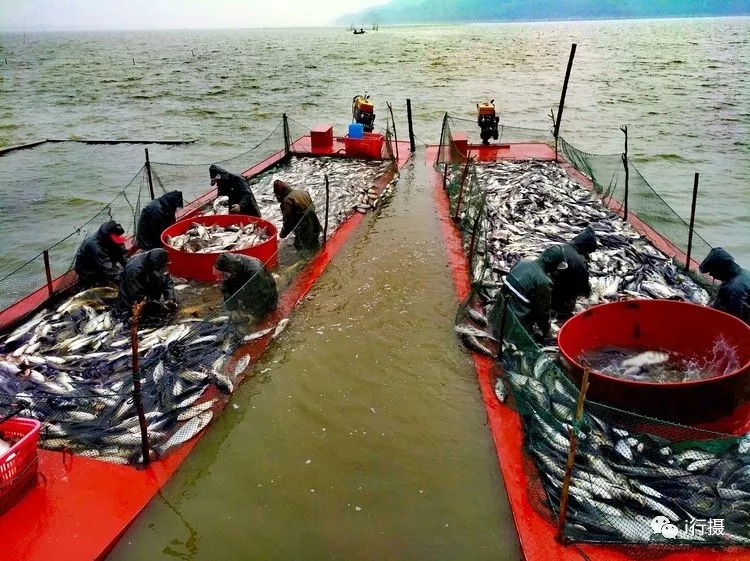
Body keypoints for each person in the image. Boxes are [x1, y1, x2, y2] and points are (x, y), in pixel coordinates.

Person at [492, 246, 568, 343]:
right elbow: (543, 313)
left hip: (499, 313)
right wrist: (547, 332)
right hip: (515, 324)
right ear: (552, 265)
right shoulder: (544, 281)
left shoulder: (522, 263)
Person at [539, 226, 598, 319]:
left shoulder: (559, 247)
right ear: (585, 248)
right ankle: (559, 312)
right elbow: (583, 287)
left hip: (540, 285)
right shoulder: (579, 262)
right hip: (552, 295)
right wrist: (588, 292)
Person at [117, 248, 177, 323]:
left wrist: (170, 298)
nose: (163, 269)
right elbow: (138, 296)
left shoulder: (160, 260)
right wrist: (160, 305)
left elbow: (167, 280)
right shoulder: (134, 270)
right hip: (132, 297)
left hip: (148, 287)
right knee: (136, 315)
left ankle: (154, 305)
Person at [214, 253, 278, 319]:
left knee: (267, 309)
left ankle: (264, 313)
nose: (218, 279)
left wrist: (256, 316)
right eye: (217, 276)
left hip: (263, 289)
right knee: (226, 284)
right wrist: (233, 309)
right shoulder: (227, 269)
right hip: (242, 280)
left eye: (221, 276)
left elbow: (263, 295)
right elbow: (226, 289)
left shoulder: (255, 272)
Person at [699, 247, 750, 324]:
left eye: (712, 271)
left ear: (721, 269)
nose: (711, 274)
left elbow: (735, 321)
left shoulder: (735, 289)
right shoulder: (743, 273)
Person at [74, 220, 128, 288]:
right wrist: (125, 280)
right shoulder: (95, 246)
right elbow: (108, 268)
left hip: (103, 262)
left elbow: (123, 253)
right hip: (88, 270)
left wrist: (129, 267)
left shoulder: (110, 238)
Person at [273, 179, 323, 252]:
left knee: (301, 247)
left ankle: (309, 260)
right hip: (315, 222)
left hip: (304, 228)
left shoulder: (287, 201)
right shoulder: (302, 192)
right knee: (315, 241)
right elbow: (313, 207)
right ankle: (318, 251)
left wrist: (282, 235)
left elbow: (288, 221)